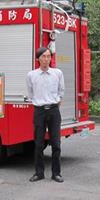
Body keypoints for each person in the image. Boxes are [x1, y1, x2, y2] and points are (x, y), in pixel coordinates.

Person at [26, 47, 65, 183]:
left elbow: (61, 91)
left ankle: (56, 173)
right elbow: (30, 93)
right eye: (43, 56)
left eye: (48, 56)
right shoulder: (31, 75)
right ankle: (39, 173)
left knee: (56, 143)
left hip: (54, 110)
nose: (46, 59)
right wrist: (39, 103)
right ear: (38, 59)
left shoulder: (57, 73)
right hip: (39, 110)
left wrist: (56, 102)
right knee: (38, 143)